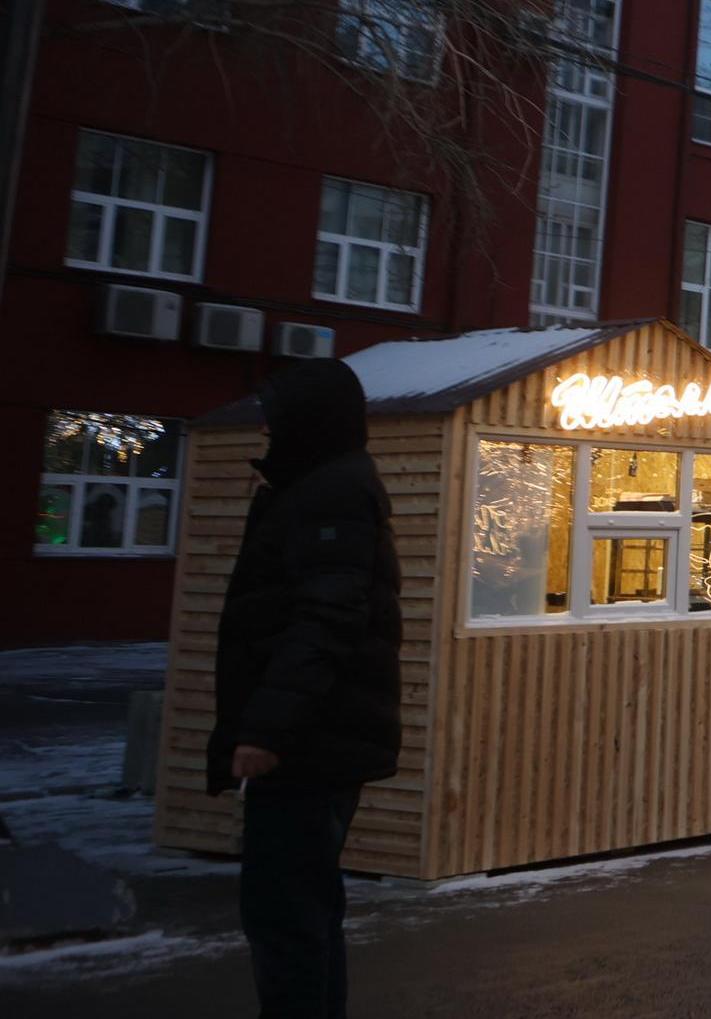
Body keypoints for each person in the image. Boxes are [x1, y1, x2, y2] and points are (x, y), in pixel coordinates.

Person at [210, 359, 402, 1018]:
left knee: (285, 914)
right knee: (303, 908)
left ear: (310, 420)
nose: (265, 426)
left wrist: (267, 729)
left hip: (310, 742)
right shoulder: (319, 488)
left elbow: (325, 621)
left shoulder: (332, 495)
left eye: (276, 413)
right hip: (316, 734)